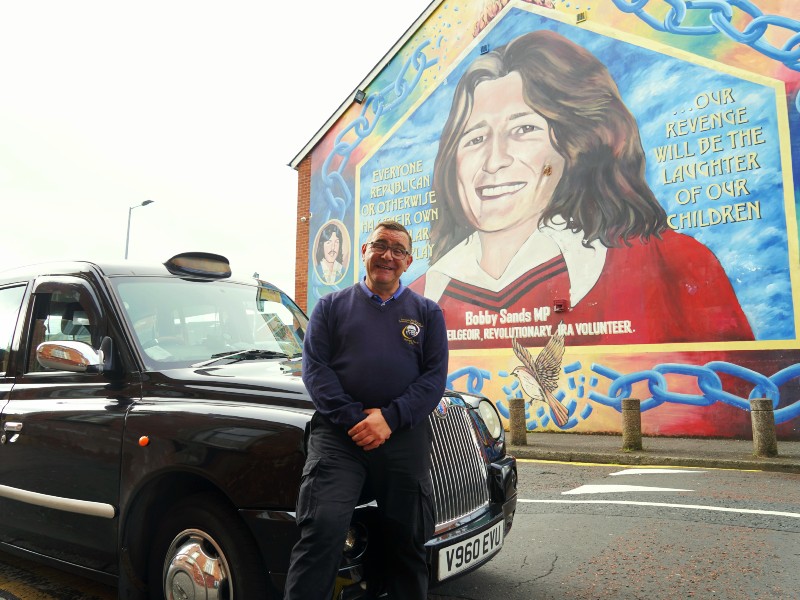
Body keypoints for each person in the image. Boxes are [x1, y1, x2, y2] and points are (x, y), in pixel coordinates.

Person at [411, 29, 754, 347]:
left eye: (524, 129)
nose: (494, 160)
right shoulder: (418, 299)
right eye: (475, 138)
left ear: (575, 145)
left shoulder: (672, 265)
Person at [284, 220, 449, 599]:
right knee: (322, 529)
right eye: (380, 246)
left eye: (398, 250)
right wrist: (357, 421)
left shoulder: (427, 313)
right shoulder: (330, 308)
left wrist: (389, 419)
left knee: (408, 540)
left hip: (402, 436)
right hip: (339, 437)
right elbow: (316, 371)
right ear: (364, 251)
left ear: (408, 262)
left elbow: (433, 379)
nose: (388, 255)